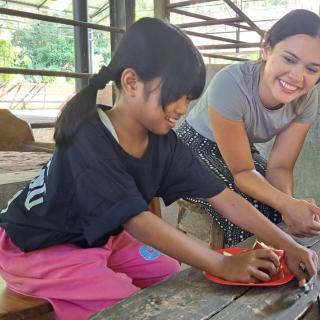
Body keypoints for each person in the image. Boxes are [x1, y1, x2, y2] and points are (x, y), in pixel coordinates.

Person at [0, 17, 317, 320]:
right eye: (175, 96)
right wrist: (222, 264)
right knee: (129, 306)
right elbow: (138, 222)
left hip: (102, 236)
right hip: (43, 249)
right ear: (132, 81)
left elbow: (225, 197)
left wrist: (287, 245)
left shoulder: (163, 142)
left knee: (167, 273)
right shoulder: (90, 137)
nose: (182, 108)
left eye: (189, 98)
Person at [176, 9, 320, 247]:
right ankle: (243, 278)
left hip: (239, 151)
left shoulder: (307, 99)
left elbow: (281, 167)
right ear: (266, 48)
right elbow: (243, 172)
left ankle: (284, 274)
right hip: (192, 149)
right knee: (248, 213)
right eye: (289, 59)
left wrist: (288, 204)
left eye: (312, 69)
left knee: (277, 211)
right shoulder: (231, 83)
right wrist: (285, 204)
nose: (297, 76)